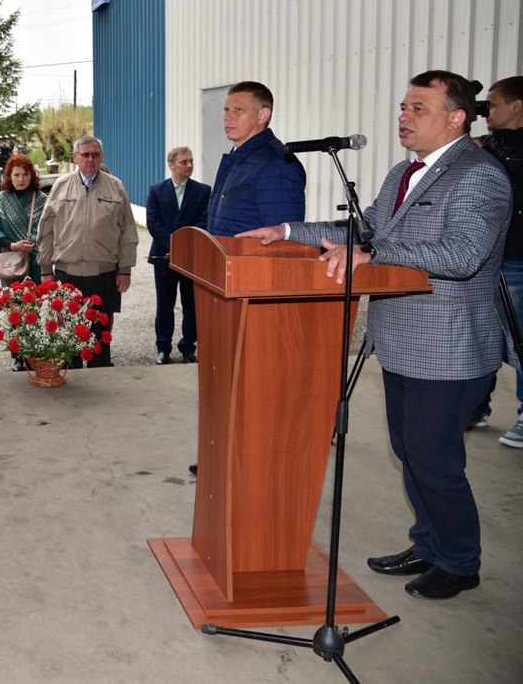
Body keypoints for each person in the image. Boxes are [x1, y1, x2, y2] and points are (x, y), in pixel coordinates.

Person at [239, 70, 512, 601]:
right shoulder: (402, 174)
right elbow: (364, 233)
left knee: (435, 458)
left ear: (456, 118)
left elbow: (461, 257)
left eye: (419, 108)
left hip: (449, 345)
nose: (404, 117)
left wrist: (376, 254)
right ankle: (428, 543)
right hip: (401, 337)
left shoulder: (480, 176)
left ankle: (460, 560)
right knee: (409, 450)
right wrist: (290, 232)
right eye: (404, 107)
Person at [35, 137, 137, 367]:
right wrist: (45, 269)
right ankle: (71, 387)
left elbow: (128, 231)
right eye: (85, 154)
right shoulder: (61, 186)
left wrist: (125, 269)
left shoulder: (116, 186)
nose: (90, 159)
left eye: (95, 154)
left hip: (103, 275)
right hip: (67, 274)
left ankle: (99, 383)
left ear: (101, 156)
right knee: (67, 335)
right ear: (75, 158)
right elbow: (46, 229)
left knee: (99, 337)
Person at [471, 76, 523, 446]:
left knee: (521, 342)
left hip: (518, 258)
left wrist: (487, 147)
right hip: (489, 257)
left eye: (493, 104)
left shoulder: (504, 148)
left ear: (517, 106)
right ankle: (476, 405)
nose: (486, 112)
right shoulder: (490, 144)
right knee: (482, 335)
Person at [205, 81, 306, 236]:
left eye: (238, 110)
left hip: (247, 260)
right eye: (226, 110)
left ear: (262, 115)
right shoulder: (237, 157)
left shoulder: (277, 164)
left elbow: (281, 244)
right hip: (224, 259)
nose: (227, 117)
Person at [146, 146, 211, 365]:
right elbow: (153, 223)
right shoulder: (156, 190)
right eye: (184, 162)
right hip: (163, 256)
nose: (190, 165)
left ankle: (188, 347)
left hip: (192, 256)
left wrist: (184, 247)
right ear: (171, 165)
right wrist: (173, 245)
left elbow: (204, 222)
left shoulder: (203, 191)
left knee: (191, 303)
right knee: (164, 303)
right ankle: (163, 348)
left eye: (191, 161)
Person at [0, 154, 46, 371]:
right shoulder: (1, 199)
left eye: (25, 174)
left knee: (35, 309)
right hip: (12, 263)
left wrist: (33, 245)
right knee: (14, 310)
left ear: (32, 176)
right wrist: (14, 245)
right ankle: (17, 355)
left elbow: (50, 230)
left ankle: (34, 353)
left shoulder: (41, 199)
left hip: (36, 262)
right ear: (9, 177)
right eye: (16, 175)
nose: (21, 179)